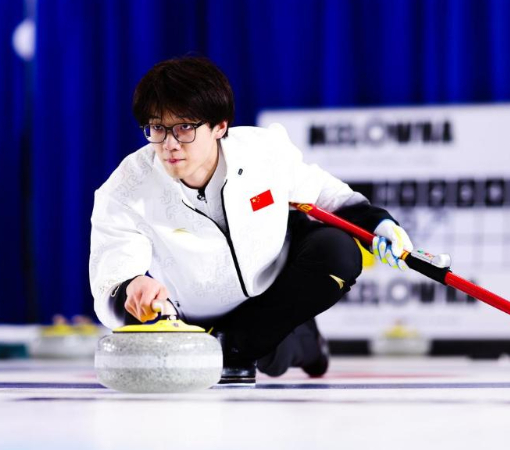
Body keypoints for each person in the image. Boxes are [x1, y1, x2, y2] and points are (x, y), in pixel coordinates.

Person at [89, 56, 413, 384]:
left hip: (274, 294)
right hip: (199, 321)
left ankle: (240, 348)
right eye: (158, 128)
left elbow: (327, 196)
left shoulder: (263, 152)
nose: (169, 144)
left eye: (185, 127)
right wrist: (132, 287)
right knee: (277, 352)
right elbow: (110, 281)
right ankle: (292, 343)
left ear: (220, 127)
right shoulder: (125, 190)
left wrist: (380, 224)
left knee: (338, 250)